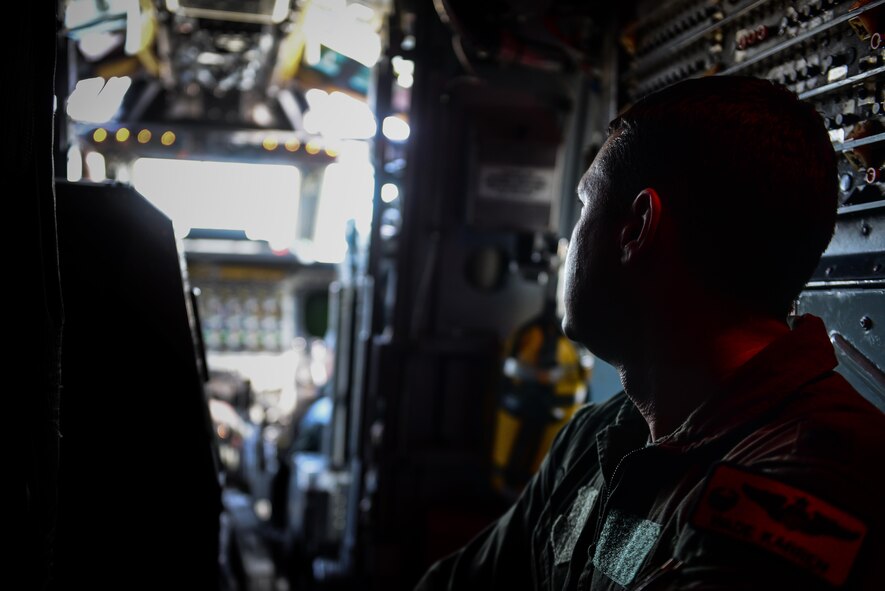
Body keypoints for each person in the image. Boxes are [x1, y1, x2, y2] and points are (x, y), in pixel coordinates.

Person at [415, 75, 885, 590]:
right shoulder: (597, 437)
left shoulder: (811, 485)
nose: (569, 243)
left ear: (637, 228)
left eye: (583, 205)